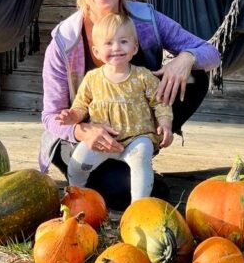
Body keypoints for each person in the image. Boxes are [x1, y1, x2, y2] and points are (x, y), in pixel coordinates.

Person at [39, 0, 221, 209]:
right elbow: (50, 116)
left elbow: (211, 52)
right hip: (82, 137)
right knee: (144, 191)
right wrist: (80, 129)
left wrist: (186, 58)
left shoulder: (146, 20)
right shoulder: (64, 42)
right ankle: (105, 172)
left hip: (133, 125)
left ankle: (146, 142)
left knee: (194, 78)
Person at [56, 14, 173, 203]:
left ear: (134, 47)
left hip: (137, 138)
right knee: (77, 163)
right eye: (108, 43)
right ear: (96, 51)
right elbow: (81, 106)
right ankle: (76, 196)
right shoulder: (92, 79)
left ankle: (138, 206)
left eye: (124, 41)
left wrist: (165, 124)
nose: (117, 48)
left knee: (141, 159)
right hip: (104, 140)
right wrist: (72, 116)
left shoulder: (143, 77)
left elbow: (160, 103)